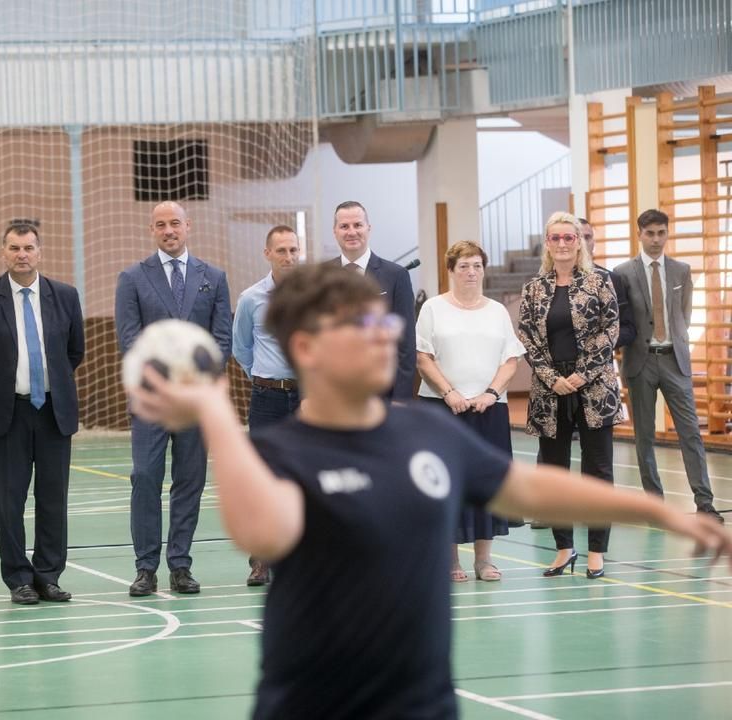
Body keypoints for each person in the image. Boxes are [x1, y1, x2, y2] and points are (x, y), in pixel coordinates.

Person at [128, 262, 732, 720]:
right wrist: (211, 408)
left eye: (384, 320)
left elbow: (529, 488)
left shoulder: (425, 431)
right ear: (307, 348)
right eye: (361, 324)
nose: (383, 334)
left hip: (425, 705)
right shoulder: (283, 453)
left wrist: (661, 513)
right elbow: (263, 531)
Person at [0, 221, 85, 605]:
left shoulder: (64, 295)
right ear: (3, 252)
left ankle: (48, 575)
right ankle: (18, 578)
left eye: (28, 247)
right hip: (7, 413)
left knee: (52, 499)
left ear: (39, 252)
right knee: (9, 500)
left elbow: (74, 351)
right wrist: (0, 384)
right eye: (14, 248)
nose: (22, 255)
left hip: (53, 412)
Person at [114, 201, 232, 596]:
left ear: (188, 226)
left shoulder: (213, 277)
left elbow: (221, 339)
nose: (169, 230)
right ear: (152, 230)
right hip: (151, 399)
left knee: (190, 481)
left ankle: (180, 564)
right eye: (161, 225)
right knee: (145, 478)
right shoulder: (132, 278)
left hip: (197, 402)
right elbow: (130, 339)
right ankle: (145, 567)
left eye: (175, 223)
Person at [518, 211, 623, 579]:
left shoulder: (599, 282)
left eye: (569, 237)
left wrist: (581, 375)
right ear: (547, 244)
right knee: (553, 473)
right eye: (555, 238)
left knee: (598, 472)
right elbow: (527, 336)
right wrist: (551, 377)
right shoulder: (534, 288)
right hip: (550, 391)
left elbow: (610, 329)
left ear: (578, 242)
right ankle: (564, 548)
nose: (562, 244)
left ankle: (597, 550)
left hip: (594, 388)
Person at [416, 241, 526, 582]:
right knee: (447, 484)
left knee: (487, 484)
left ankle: (484, 560)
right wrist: (449, 393)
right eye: (463, 266)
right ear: (451, 270)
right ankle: (450, 561)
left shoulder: (496, 311)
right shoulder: (433, 308)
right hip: (441, 409)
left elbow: (511, 359)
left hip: (488, 410)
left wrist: (492, 393)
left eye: (477, 265)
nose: (471, 272)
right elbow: (423, 358)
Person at [613, 209, 724, 523]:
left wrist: (673, 340)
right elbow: (624, 320)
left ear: (667, 233)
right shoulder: (621, 272)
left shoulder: (681, 270)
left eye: (661, 233)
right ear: (640, 234)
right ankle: (655, 507)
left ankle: (705, 503)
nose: (656, 239)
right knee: (644, 437)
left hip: (675, 360)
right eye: (650, 233)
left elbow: (684, 317)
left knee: (691, 434)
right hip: (640, 361)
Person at [233, 225, 302, 586]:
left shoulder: (314, 295)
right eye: (281, 251)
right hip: (267, 399)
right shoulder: (251, 298)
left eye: (293, 250)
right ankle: (261, 559)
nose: (289, 257)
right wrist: (264, 376)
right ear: (267, 254)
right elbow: (240, 347)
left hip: (306, 398)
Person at [327, 200, 416, 401]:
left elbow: (406, 343)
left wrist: (401, 399)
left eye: (357, 225)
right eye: (344, 226)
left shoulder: (396, 275)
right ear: (335, 231)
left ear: (369, 228)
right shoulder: (321, 276)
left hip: (382, 394)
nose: (351, 232)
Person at [579, 217, 636, 349]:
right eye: (578, 238)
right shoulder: (551, 282)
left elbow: (628, 329)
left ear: (593, 242)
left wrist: (599, 344)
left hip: (599, 362)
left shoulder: (612, 279)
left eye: (587, 237)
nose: (583, 243)